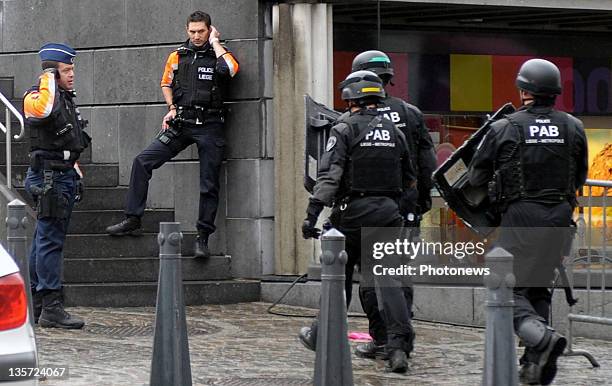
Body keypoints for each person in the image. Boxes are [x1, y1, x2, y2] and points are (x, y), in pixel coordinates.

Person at [467, 58, 588, 385]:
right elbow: (581, 176)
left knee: (504, 286)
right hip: (561, 218)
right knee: (539, 288)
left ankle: (542, 339)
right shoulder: (573, 126)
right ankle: (535, 367)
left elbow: (476, 175)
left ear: (523, 91)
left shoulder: (504, 127)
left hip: (521, 216)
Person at [299, 70, 416, 373]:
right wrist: (394, 209)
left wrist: (312, 214)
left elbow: (330, 175)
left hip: (354, 213)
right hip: (389, 215)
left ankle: (321, 333)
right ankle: (399, 345)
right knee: (389, 281)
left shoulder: (344, 128)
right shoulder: (395, 131)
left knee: (339, 272)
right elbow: (409, 179)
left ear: (351, 97)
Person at [105, 11, 239, 259]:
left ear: (210, 30)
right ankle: (133, 218)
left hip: (210, 125)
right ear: (186, 30)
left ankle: (202, 239)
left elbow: (231, 70)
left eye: (201, 31)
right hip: (182, 123)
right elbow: (166, 82)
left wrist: (216, 44)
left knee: (208, 184)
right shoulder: (178, 55)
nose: (196, 36)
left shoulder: (219, 54)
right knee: (142, 161)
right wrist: (171, 108)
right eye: (192, 31)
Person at [349, 50, 437, 359]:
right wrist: (422, 202)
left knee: (372, 275)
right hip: (406, 210)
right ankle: (402, 338)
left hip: (367, 209)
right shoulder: (410, 114)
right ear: (388, 79)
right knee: (398, 272)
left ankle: (383, 339)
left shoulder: (353, 119)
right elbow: (428, 165)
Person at [24, 43, 91, 329]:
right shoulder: (37, 97)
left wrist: (75, 172)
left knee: (44, 240)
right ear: (51, 73)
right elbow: (45, 110)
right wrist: (49, 77)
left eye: (72, 68)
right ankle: (50, 306)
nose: (72, 74)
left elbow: (66, 142)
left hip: (62, 175)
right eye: (66, 70)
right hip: (48, 178)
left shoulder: (64, 98)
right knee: (49, 242)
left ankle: (39, 302)